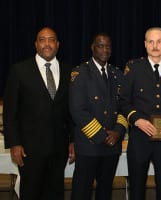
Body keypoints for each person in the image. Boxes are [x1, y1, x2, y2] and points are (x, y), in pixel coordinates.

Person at [3, 27, 74, 200]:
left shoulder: (70, 72)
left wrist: (73, 140)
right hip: (29, 150)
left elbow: (72, 110)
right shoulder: (19, 70)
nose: (47, 44)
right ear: (36, 44)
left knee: (55, 193)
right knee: (31, 193)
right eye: (42, 39)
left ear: (58, 45)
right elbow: (10, 111)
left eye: (51, 40)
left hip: (59, 149)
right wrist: (14, 144)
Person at [120, 27, 161, 200]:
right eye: (151, 41)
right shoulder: (133, 67)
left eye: (159, 41)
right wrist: (136, 120)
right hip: (140, 137)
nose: (155, 45)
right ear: (145, 44)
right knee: (137, 187)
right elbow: (123, 101)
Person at [69, 32, 128, 200]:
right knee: (82, 191)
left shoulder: (117, 74)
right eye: (100, 45)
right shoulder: (80, 74)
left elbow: (124, 107)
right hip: (89, 145)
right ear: (92, 48)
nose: (105, 49)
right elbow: (77, 111)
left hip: (112, 146)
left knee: (105, 191)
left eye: (108, 46)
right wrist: (102, 136)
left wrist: (117, 132)